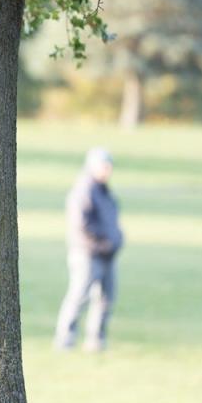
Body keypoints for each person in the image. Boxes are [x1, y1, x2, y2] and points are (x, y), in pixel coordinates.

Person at [52, 147, 124, 352]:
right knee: (79, 295)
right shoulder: (83, 190)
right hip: (87, 253)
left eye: (109, 166)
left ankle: (96, 340)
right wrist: (102, 243)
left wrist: (117, 239)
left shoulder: (105, 191)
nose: (107, 170)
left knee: (105, 298)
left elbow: (112, 220)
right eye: (104, 165)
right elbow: (81, 225)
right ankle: (65, 339)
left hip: (108, 253)